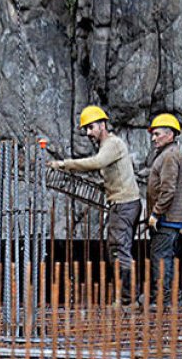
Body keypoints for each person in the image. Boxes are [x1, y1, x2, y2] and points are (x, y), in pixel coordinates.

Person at [48, 105, 141, 307]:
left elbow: (97, 163)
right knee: (119, 249)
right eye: (87, 129)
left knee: (118, 250)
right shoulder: (109, 145)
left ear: (103, 125)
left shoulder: (112, 144)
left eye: (91, 127)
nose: (89, 133)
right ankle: (129, 297)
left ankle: (128, 300)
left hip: (124, 204)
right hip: (124, 203)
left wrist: (65, 164)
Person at [145, 113, 182, 305]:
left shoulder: (170, 156)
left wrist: (156, 213)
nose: (154, 138)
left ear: (170, 134)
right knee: (166, 257)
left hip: (167, 218)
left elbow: (168, 189)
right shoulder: (169, 154)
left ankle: (165, 299)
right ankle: (169, 297)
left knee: (161, 258)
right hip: (170, 218)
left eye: (157, 134)